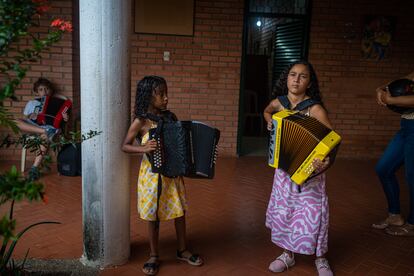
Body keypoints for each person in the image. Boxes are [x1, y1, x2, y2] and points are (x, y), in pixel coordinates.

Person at [121, 76, 203, 275]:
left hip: (172, 174)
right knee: (153, 214)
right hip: (151, 175)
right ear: (149, 96)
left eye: (166, 93)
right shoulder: (140, 121)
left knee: (180, 210)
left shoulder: (170, 117)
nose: (166, 98)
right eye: (161, 94)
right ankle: (153, 254)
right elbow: (124, 146)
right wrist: (143, 147)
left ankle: (182, 250)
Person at [263, 60, 334, 276]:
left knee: (313, 215)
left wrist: (324, 161)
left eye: (302, 76)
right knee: (287, 212)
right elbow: (267, 110)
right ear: (287, 78)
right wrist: (269, 121)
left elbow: (331, 141)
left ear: (309, 82)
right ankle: (288, 254)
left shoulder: (315, 108)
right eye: (293, 74)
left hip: (308, 174)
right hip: (284, 173)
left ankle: (320, 258)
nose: (296, 79)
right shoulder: (280, 102)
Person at [371, 71, 414, 236]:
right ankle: (395, 215)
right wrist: (382, 89)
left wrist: (389, 99)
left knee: (412, 178)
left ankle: (412, 223)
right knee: (383, 168)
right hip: (406, 126)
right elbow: (406, 80)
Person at [15, 77, 68, 180]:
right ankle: (44, 131)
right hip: (34, 127)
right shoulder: (31, 103)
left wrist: (65, 118)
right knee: (14, 121)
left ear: (50, 90)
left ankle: (34, 168)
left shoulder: (58, 102)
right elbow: (25, 118)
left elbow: (62, 120)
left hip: (49, 127)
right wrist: (31, 116)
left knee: (45, 136)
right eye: (41, 89)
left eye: (46, 89)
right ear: (36, 92)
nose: (44, 92)